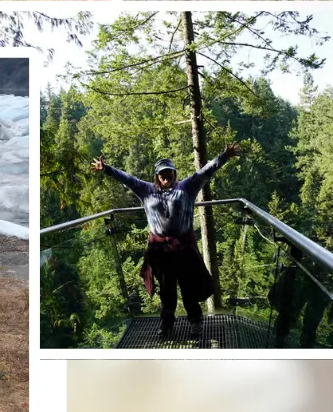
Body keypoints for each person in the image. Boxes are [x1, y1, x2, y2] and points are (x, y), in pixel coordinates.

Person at [91, 143, 242, 340]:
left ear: (174, 173)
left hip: (183, 248)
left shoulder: (187, 187)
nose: (165, 177)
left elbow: (206, 172)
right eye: (162, 174)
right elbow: (127, 179)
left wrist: (224, 156)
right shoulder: (146, 190)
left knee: (189, 287)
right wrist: (107, 169)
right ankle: (167, 323)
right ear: (157, 176)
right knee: (166, 289)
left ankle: (195, 322)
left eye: (169, 173)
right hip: (159, 251)